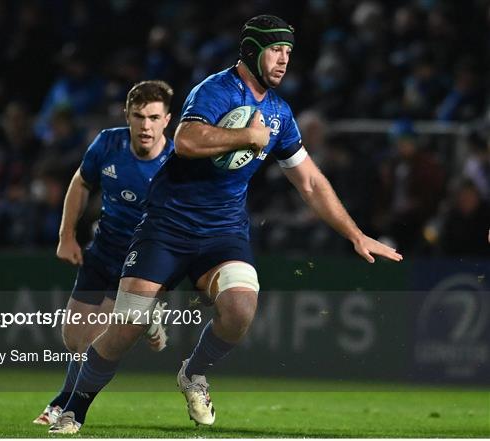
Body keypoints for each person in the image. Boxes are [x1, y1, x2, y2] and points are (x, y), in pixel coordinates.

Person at [49, 15, 402, 434]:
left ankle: (193, 373)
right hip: (166, 226)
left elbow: (308, 182)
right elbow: (185, 140)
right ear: (252, 51)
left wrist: (355, 234)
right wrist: (244, 138)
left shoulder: (279, 114)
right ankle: (74, 407)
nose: (284, 60)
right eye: (275, 50)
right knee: (127, 325)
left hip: (222, 232)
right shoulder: (215, 90)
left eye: (288, 52)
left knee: (240, 309)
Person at [33, 80, 174, 425]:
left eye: (154, 117)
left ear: (167, 120)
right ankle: (147, 319)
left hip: (140, 262)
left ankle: (66, 408)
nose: (146, 125)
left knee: (98, 342)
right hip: (104, 247)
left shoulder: (178, 163)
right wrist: (67, 235)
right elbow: (81, 182)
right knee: (73, 337)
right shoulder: (108, 143)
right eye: (139, 116)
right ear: (127, 115)